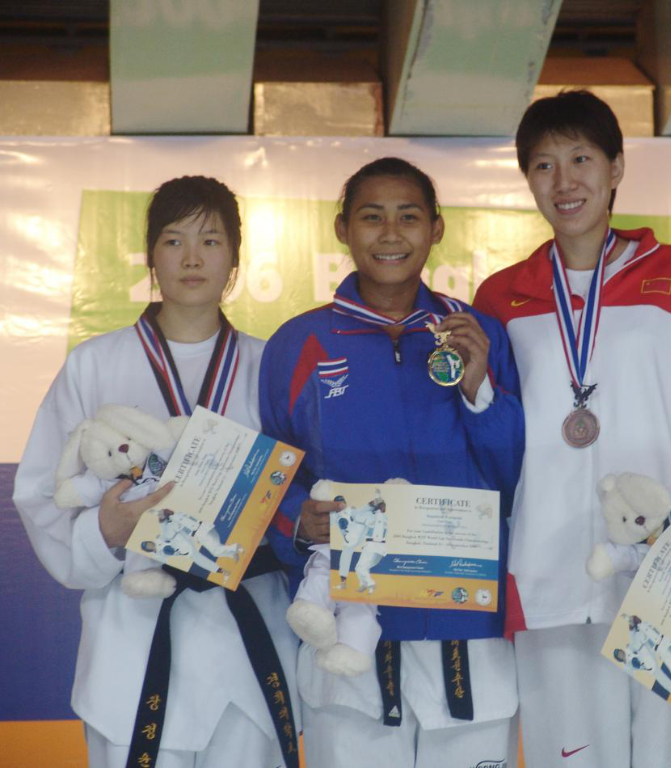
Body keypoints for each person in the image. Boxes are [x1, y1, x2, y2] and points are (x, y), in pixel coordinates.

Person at [473, 90, 671, 768]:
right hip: (550, 574)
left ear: (617, 168)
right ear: (528, 180)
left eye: (581, 159)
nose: (564, 181)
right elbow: (493, 439)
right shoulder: (500, 297)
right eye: (544, 165)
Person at [14, 176, 299, 767]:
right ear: (150, 256)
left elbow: (303, 494)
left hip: (248, 648)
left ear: (235, 259)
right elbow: (41, 493)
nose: (192, 258)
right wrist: (105, 531)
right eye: (173, 241)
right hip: (132, 642)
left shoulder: (270, 364)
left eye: (211, 241)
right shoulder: (93, 364)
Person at [259, 157, 525, 768]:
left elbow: (514, 475)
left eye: (408, 217)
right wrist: (299, 519)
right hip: (349, 636)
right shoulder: (297, 344)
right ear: (342, 228)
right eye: (371, 217)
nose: (390, 233)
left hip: (465, 628)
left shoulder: (478, 334)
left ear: (436, 228)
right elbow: (274, 473)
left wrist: (479, 388)